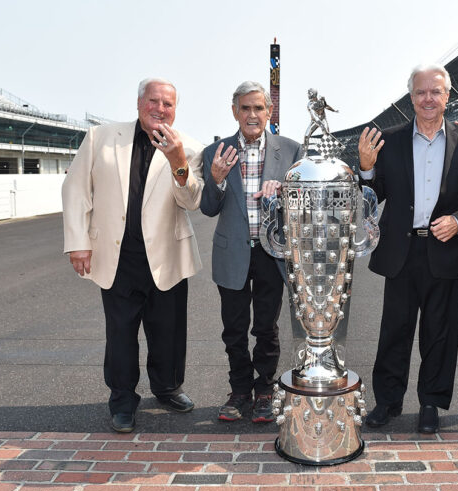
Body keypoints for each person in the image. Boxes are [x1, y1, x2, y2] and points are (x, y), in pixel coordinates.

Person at [62, 78, 205, 433]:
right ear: (139, 103)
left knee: (168, 333)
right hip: (117, 257)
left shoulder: (191, 147)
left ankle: (168, 388)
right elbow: (76, 188)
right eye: (153, 101)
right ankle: (122, 401)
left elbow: (192, 200)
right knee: (121, 334)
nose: (160, 108)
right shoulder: (101, 138)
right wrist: (78, 241)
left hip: (167, 255)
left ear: (176, 109)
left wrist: (177, 159)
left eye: (168, 104)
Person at [358, 64, 458, 433]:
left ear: (447, 96)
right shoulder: (390, 140)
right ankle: (388, 401)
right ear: (411, 97)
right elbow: (373, 196)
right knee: (394, 331)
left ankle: (431, 402)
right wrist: (366, 170)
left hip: (444, 248)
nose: (428, 99)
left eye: (436, 92)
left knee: (440, 332)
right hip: (401, 251)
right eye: (421, 92)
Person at [201, 81, 302, 423]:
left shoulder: (291, 151)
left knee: (266, 327)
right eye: (245, 108)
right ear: (235, 112)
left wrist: (284, 191)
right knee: (233, 327)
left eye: (259, 108)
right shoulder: (215, 152)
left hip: (271, 252)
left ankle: (264, 389)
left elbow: (303, 206)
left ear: (269, 112)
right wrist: (215, 179)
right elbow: (208, 209)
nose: (252, 115)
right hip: (231, 252)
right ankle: (239, 390)